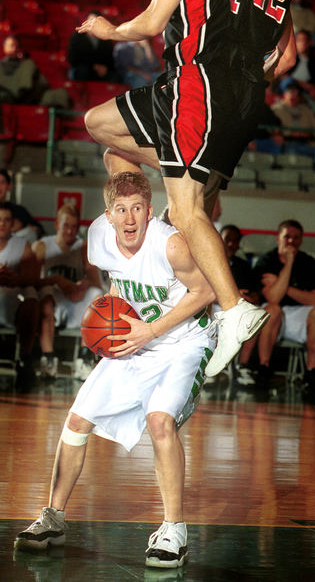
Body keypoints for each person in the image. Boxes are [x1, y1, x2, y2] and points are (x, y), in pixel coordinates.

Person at [78, 0, 271, 379]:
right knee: (101, 129)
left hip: (194, 89)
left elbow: (150, 23)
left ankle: (233, 308)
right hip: (188, 88)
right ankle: (169, 204)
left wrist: (108, 29)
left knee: (186, 208)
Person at [14, 171, 216, 567]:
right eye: (120, 210)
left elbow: (206, 291)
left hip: (183, 343)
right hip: (133, 340)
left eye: (137, 209)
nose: (129, 219)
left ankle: (174, 528)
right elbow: (118, 285)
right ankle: (53, 516)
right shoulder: (99, 238)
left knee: (160, 421)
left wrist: (151, 331)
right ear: (108, 215)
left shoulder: (170, 244)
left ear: (150, 210)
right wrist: (110, 328)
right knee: (76, 421)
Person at [251, 219, 315, 393]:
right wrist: (289, 263)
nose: (291, 241)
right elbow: (274, 297)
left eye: (296, 238)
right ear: (278, 238)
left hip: (299, 313)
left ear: (301, 240)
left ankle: (312, 373)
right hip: (272, 315)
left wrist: (283, 286)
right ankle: (263, 368)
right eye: (287, 237)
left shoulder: (309, 262)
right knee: (272, 309)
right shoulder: (267, 260)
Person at [32, 204, 102, 380]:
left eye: (74, 227)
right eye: (66, 226)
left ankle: (84, 359)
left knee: (96, 295)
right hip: (52, 300)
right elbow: (30, 281)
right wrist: (57, 280)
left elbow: (97, 282)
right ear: (56, 225)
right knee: (46, 297)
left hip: (73, 301)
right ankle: (48, 360)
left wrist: (83, 285)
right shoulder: (42, 246)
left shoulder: (83, 247)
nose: (70, 231)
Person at [211, 224, 261, 387]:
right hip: (214, 306)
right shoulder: (209, 261)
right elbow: (201, 291)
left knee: (255, 316)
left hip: (238, 308)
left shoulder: (243, 265)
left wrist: (247, 297)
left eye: (235, 241)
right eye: (227, 240)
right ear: (220, 240)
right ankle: (209, 366)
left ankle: (242, 367)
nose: (231, 244)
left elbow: (256, 294)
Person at [0, 202, 39, 390]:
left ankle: (25, 357)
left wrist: (14, 277)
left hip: (13, 296)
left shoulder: (22, 245)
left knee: (31, 302)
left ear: (13, 223)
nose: (2, 224)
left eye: (6, 220)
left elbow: (31, 277)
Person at [0, 35, 69, 109]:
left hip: (29, 96)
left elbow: (41, 83)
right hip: (9, 95)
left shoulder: (27, 63)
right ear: (4, 47)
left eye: (16, 46)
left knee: (61, 95)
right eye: (12, 45)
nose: (14, 49)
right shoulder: (1, 65)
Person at [272, 81, 315, 157]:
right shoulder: (277, 109)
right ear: (284, 94)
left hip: (308, 143)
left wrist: (311, 134)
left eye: (296, 92)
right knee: (292, 151)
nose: (293, 95)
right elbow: (272, 129)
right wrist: (288, 133)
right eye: (290, 92)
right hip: (287, 144)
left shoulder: (306, 110)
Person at [67, 11, 117, 82]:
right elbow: (73, 58)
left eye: (95, 23)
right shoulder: (77, 37)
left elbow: (110, 58)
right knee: (83, 72)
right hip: (83, 68)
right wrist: (94, 66)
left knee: (114, 76)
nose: (92, 25)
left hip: (101, 70)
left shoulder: (106, 38)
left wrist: (105, 68)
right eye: (90, 21)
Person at [0, 168, 44, 240]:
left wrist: (33, 230)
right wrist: (9, 229)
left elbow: (38, 229)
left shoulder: (18, 210)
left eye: (2, 182)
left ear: (9, 186)